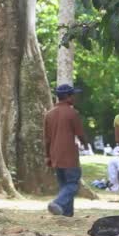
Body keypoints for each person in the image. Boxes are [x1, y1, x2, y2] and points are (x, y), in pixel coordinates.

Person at [45, 84, 86, 217]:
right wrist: (86, 144)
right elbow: (80, 134)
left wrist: (48, 156)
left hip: (55, 155)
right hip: (69, 156)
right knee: (73, 184)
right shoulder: (72, 113)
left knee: (64, 185)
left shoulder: (49, 114)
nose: (74, 97)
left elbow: (47, 139)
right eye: (73, 95)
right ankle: (58, 202)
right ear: (68, 97)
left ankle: (67, 215)